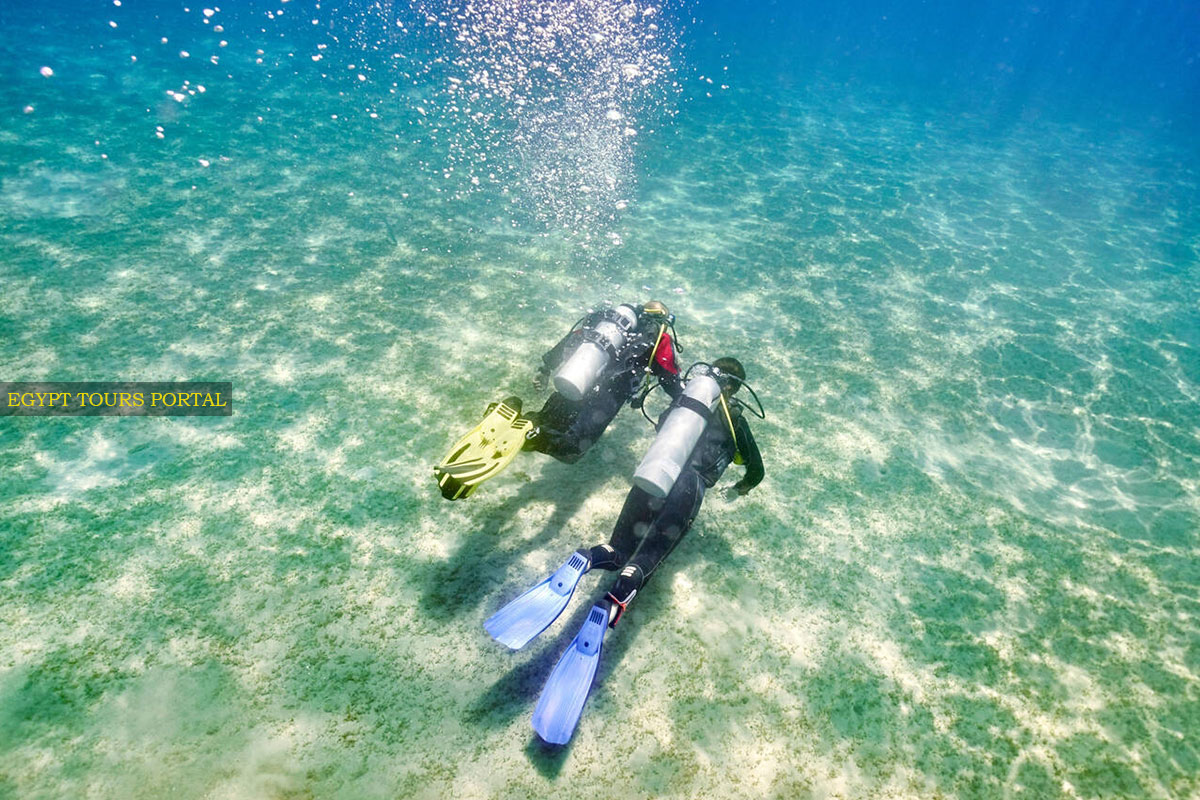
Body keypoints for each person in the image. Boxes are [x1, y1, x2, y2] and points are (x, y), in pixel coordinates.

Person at [483, 357, 764, 744]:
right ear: (734, 388)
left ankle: (586, 559)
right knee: (643, 563)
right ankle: (613, 601)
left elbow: (665, 425)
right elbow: (756, 473)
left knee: (618, 548)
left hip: (657, 471)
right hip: (689, 487)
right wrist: (738, 488)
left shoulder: (686, 402)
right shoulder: (737, 421)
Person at [433, 301, 682, 500]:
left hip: (575, 378)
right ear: (663, 320)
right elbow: (670, 377)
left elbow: (570, 340)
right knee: (571, 447)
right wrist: (681, 398)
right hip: (606, 395)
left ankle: (517, 417)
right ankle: (534, 432)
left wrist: (545, 369)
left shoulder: (607, 323)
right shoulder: (658, 336)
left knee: (544, 420)